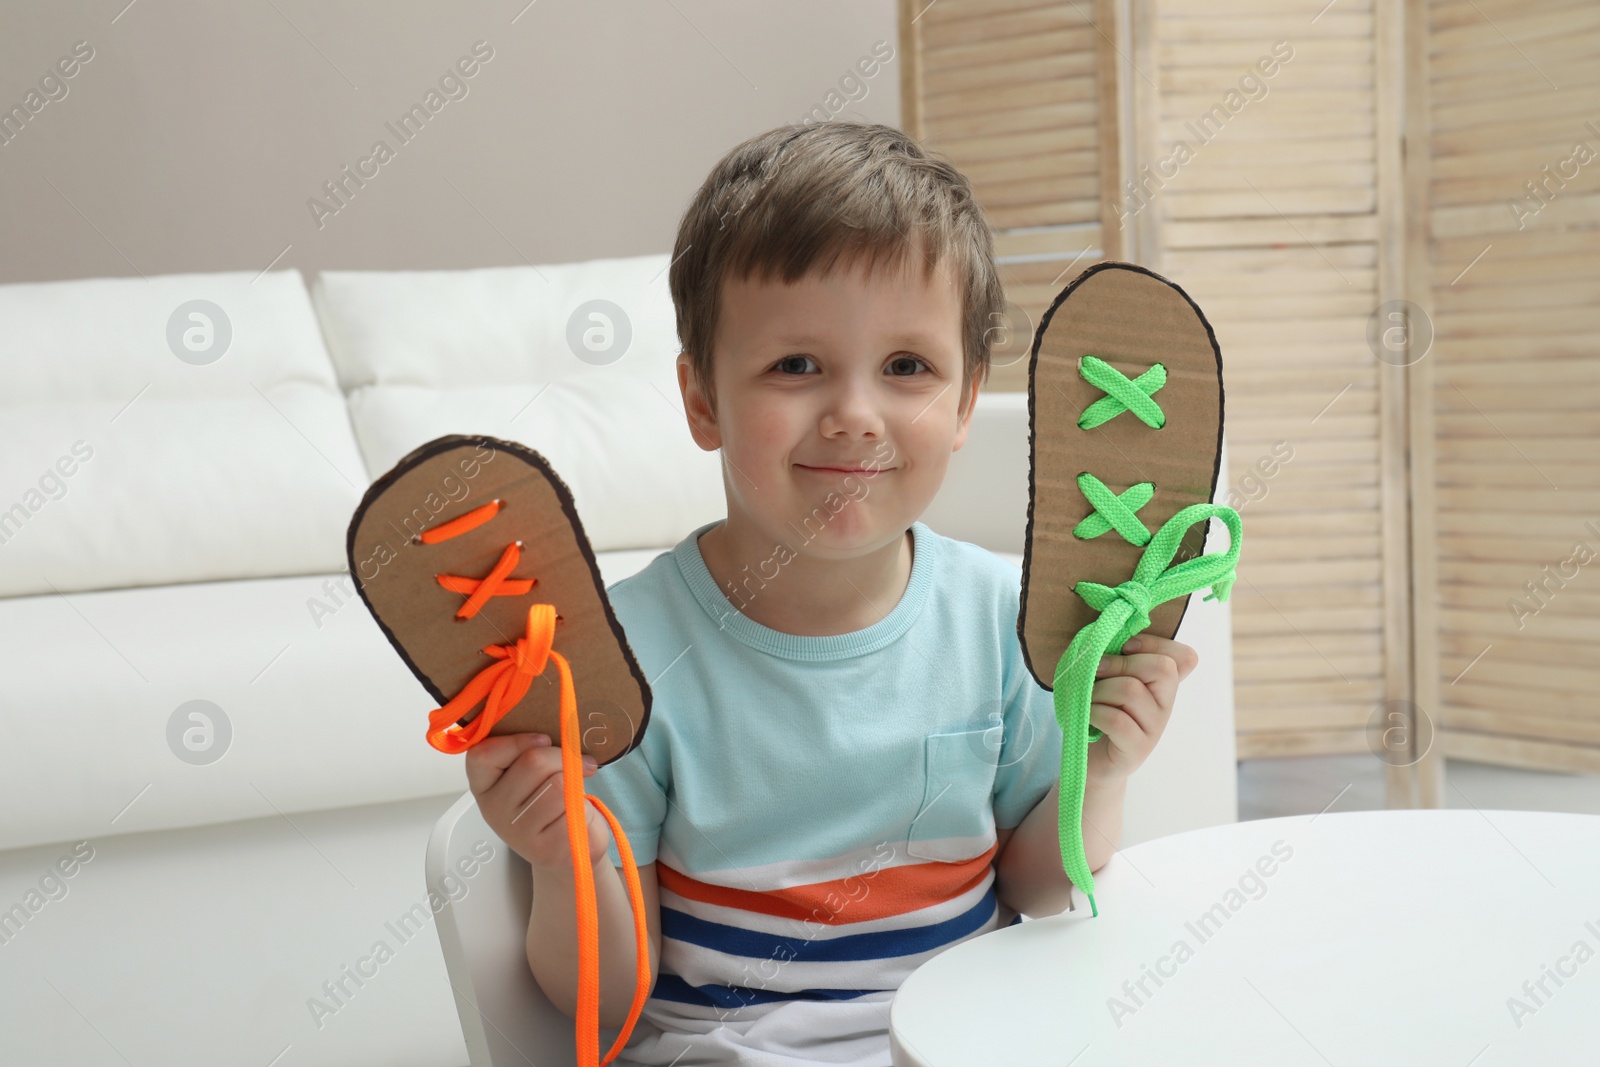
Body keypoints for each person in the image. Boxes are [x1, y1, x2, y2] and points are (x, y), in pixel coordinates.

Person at [465, 120, 1201, 1066]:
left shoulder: (1004, 618)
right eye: (796, 365)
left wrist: (1099, 772)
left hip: (963, 1034)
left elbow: (1031, 885)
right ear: (703, 402)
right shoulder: (624, 656)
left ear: (969, 398)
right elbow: (606, 1006)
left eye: (907, 368)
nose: (855, 415)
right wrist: (562, 858)